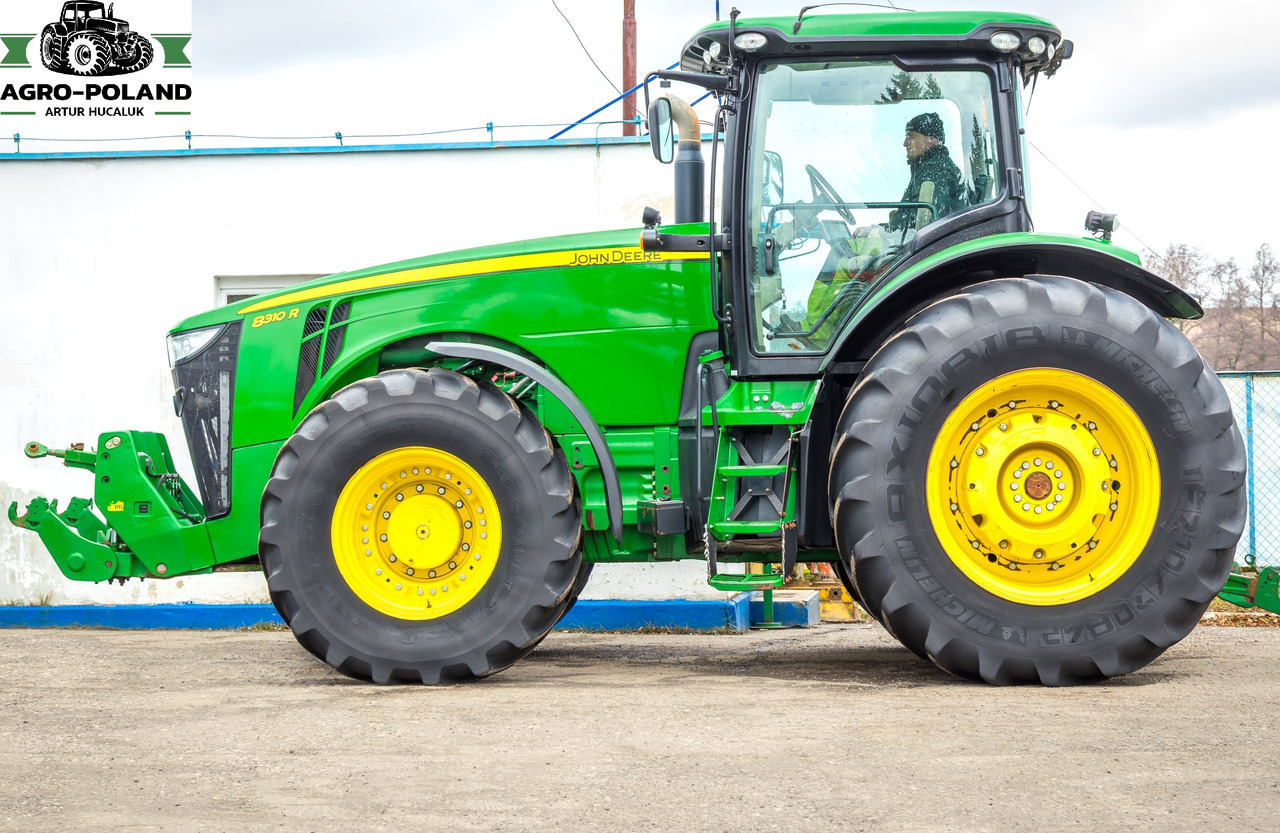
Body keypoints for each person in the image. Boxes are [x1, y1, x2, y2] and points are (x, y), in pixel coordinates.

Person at [888, 112, 965, 232]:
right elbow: (910, 218)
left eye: (911, 136)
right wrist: (882, 228)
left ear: (932, 140)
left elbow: (925, 222)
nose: (905, 143)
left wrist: (883, 231)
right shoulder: (928, 167)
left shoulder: (935, 170)